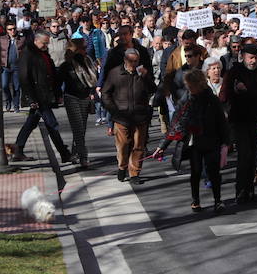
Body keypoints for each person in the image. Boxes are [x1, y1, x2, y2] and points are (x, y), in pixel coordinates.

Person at [152, 69, 229, 213]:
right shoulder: (186, 100)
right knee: (196, 171)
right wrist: (162, 146)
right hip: (194, 142)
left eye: (190, 85)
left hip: (211, 139)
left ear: (198, 84)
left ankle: (218, 200)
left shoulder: (211, 99)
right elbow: (176, 124)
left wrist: (226, 142)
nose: (188, 88)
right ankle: (196, 200)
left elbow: (221, 121)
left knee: (214, 172)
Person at [221, 44, 257, 204]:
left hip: (256, 120)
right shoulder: (234, 72)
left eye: (255, 58)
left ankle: (250, 190)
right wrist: (235, 90)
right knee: (244, 156)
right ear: (243, 56)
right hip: (239, 120)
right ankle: (241, 192)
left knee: (252, 155)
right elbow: (224, 95)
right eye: (250, 58)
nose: (253, 61)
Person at [10, 30, 72, 162]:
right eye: (44, 43)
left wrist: (57, 92)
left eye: (47, 43)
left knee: (31, 122)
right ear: (36, 41)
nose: (46, 46)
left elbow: (51, 74)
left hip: (45, 95)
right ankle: (64, 153)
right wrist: (31, 98)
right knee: (51, 124)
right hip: (38, 96)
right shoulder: (28, 54)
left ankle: (18, 150)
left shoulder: (43, 53)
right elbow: (24, 78)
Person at [102, 47, 157, 184]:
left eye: (136, 61)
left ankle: (134, 174)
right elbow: (105, 93)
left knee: (138, 146)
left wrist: (146, 76)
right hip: (121, 116)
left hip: (140, 116)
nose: (134, 64)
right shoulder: (115, 73)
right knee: (123, 145)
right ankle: (122, 166)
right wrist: (113, 110)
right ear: (125, 60)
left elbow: (153, 89)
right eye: (131, 61)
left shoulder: (141, 72)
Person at [58, 38, 98, 170]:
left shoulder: (88, 61)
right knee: (78, 129)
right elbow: (58, 82)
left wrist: (92, 92)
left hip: (85, 98)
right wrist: (57, 96)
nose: (86, 51)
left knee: (81, 129)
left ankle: (75, 153)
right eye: (83, 48)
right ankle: (83, 157)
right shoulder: (67, 65)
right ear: (76, 49)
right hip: (72, 98)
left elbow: (93, 79)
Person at [1, 22, 22, 112]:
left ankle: (16, 105)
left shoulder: (21, 39)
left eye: (14, 28)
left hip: (17, 67)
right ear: (6, 30)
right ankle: (8, 102)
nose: (12, 31)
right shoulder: (2, 39)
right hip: (5, 66)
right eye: (10, 29)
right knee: (5, 86)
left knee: (16, 87)